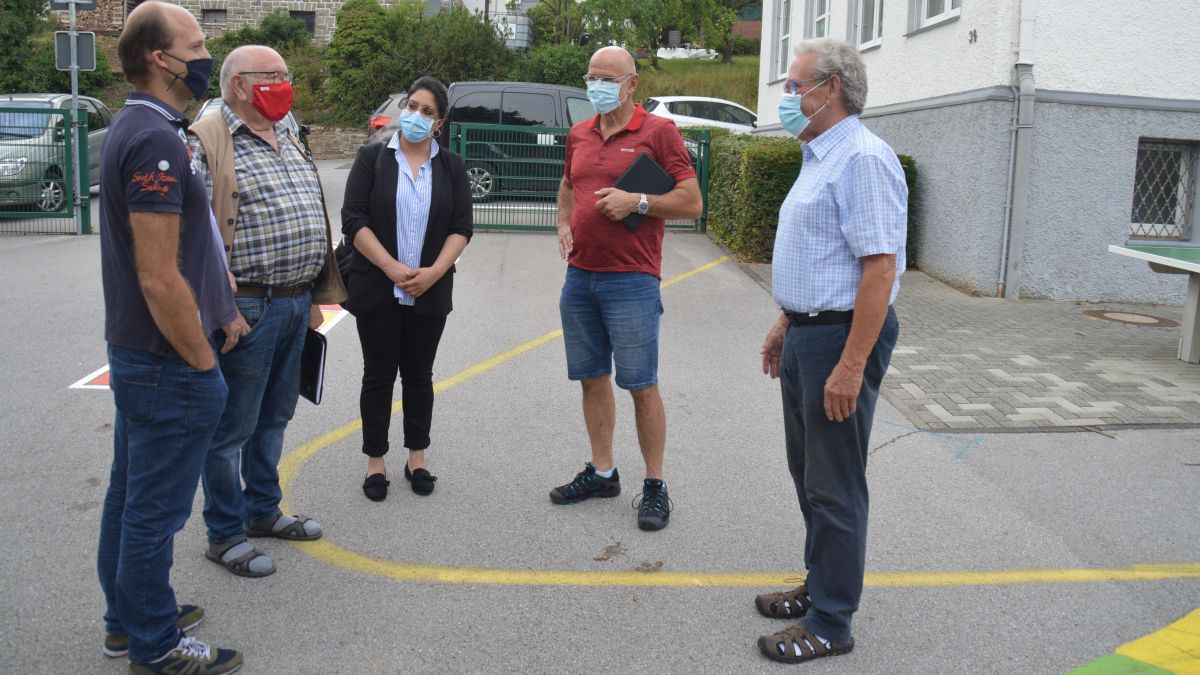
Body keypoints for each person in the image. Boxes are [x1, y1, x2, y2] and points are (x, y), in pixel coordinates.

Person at [96, 2, 243, 672]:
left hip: (141, 354)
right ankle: (154, 642)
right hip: (165, 360)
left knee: (131, 496)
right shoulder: (154, 139)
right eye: (198, 42)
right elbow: (159, 277)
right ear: (160, 57)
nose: (206, 54)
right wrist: (201, 362)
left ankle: (128, 618)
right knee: (152, 511)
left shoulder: (147, 126)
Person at [754, 38, 907, 665]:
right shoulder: (820, 155)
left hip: (841, 340)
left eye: (795, 86)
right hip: (808, 333)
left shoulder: (863, 159)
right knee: (809, 474)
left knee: (835, 482)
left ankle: (831, 621)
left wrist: (849, 365)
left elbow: (878, 270)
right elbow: (825, 258)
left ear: (831, 88)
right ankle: (821, 587)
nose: (789, 97)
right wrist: (785, 322)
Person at [188, 45, 346, 578]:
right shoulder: (209, 137)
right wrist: (220, 303)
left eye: (286, 74)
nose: (284, 84)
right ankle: (225, 534)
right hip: (246, 306)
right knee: (232, 427)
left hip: (295, 300)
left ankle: (262, 511)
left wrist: (313, 295)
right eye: (272, 76)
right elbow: (195, 233)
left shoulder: (290, 129)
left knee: (274, 418)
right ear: (238, 85)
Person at [548, 46, 703, 531]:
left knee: (640, 385)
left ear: (631, 84)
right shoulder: (579, 133)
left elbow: (691, 202)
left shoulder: (659, 132)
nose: (597, 84)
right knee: (592, 378)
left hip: (632, 280)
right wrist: (561, 223)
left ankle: (655, 484)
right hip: (581, 276)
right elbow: (569, 185)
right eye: (591, 75)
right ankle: (602, 471)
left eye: (606, 77)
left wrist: (637, 201)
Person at [341, 76, 473, 502]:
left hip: (430, 290)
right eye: (411, 106)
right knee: (378, 376)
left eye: (427, 111)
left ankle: (417, 457)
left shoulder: (451, 166)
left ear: (440, 123)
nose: (415, 116)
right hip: (378, 287)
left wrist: (433, 271)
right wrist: (392, 268)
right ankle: (375, 461)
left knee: (419, 377)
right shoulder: (372, 157)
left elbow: (461, 228)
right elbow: (353, 220)